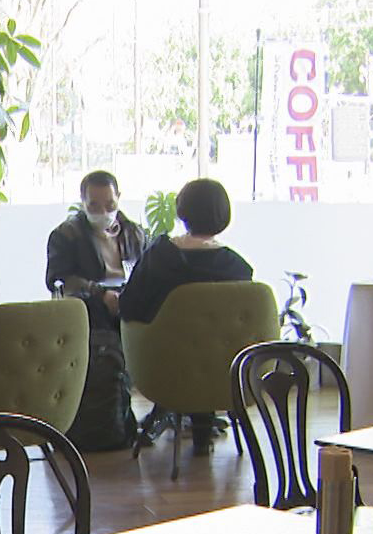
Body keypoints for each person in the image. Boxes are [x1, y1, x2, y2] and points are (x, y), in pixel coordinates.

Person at [117, 178, 255, 453]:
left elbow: (130, 307)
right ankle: (203, 431)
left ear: (182, 212)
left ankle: (165, 413)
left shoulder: (159, 257)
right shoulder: (238, 268)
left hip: (164, 367)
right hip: (224, 373)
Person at [45, 170, 148, 328]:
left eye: (110, 205)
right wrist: (101, 294)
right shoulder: (66, 235)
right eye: (94, 206)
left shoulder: (134, 234)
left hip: (130, 303)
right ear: (83, 201)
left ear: (118, 198)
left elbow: (147, 271)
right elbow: (60, 278)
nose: (103, 212)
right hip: (89, 309)